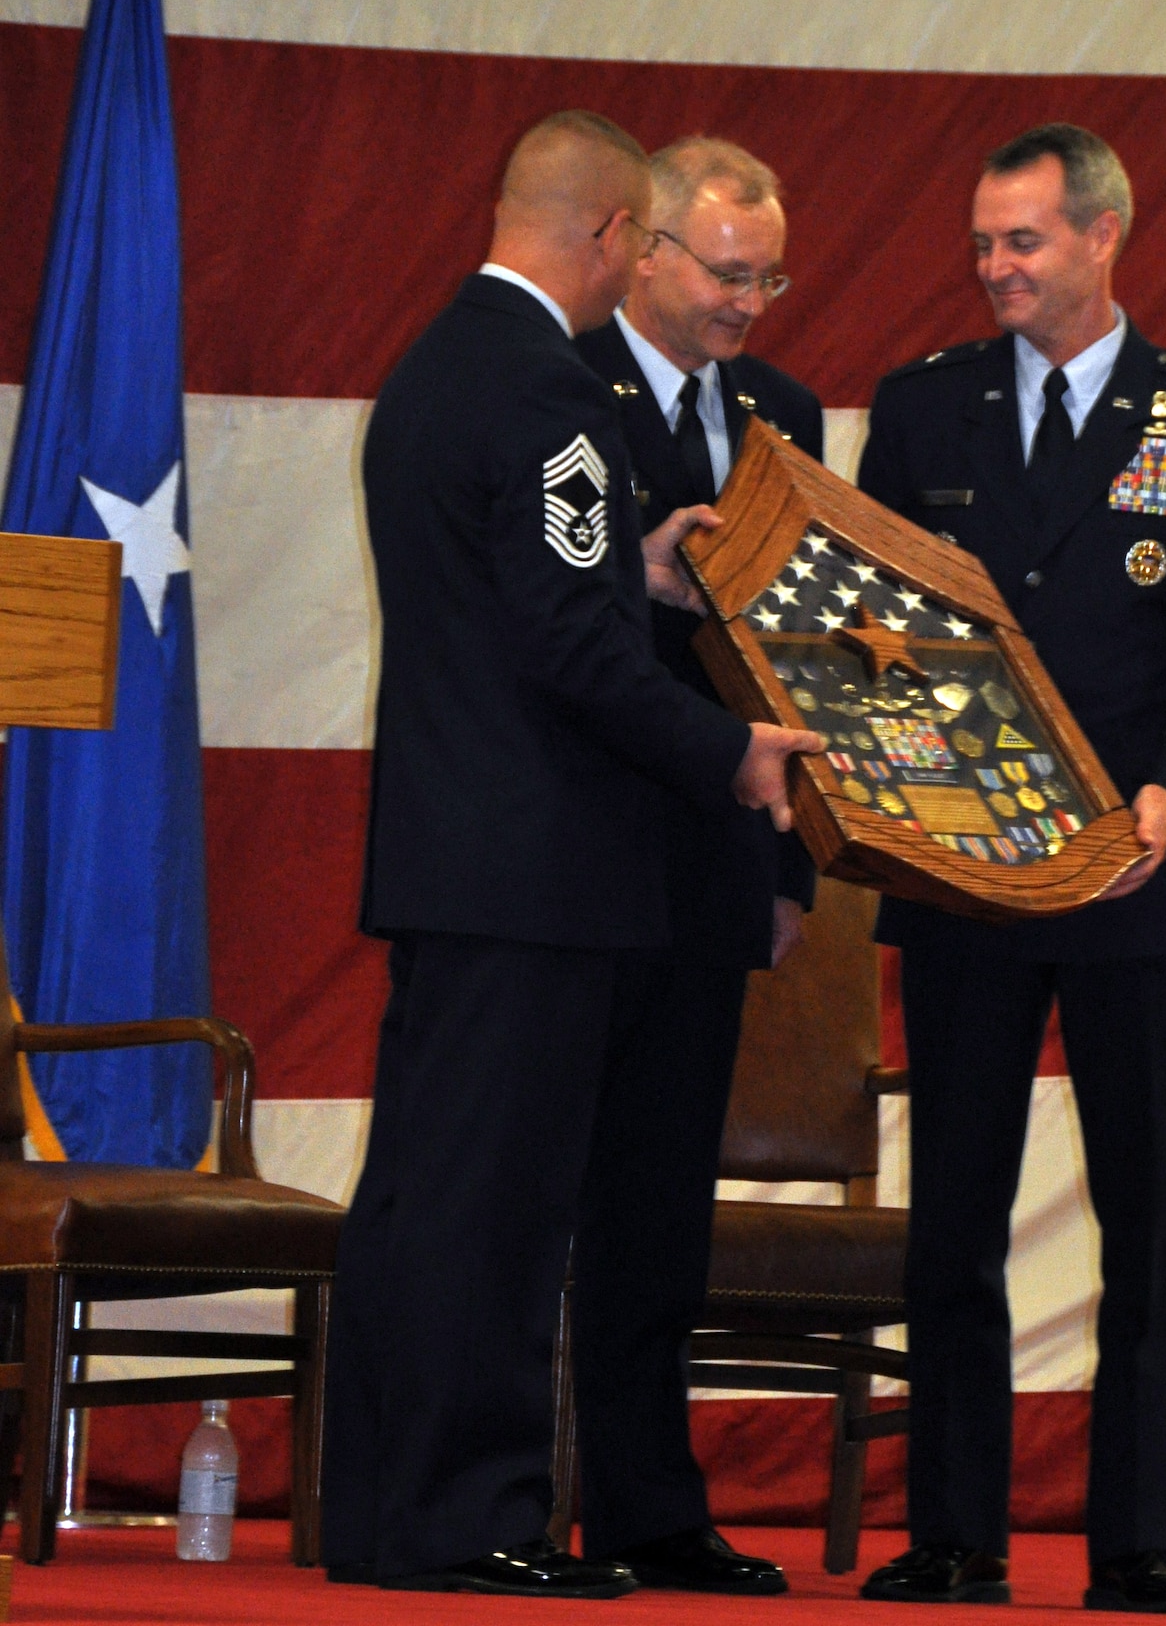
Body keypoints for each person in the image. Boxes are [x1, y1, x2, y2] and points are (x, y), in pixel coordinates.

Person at [320, 111, 820, 1599]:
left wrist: (639, 569)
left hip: (462, 859)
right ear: (616, 235)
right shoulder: (548, 395)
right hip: (537, 874)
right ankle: (476, 1514)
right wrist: (729, 752)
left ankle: (390, 1511)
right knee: (490, 1213)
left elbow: (526, 594)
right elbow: (572, 657)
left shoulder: (436, 370)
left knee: (426, 1195)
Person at [856, 124, 1166, 1615]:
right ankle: (953, 1536)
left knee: (1148, 1222)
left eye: (1022, 241)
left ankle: (1135, 1547)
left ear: (1106, 233)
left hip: (1147, 873)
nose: (992, 269)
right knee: (953, 1219)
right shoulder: (922, 414)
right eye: (981, 243)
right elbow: (877, 637)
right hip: (970, 871)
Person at [571, 138, 823, 1593]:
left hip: (718, 859)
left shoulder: (785, 415)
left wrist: (790, 876)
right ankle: (496, 1493)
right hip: (572, 853)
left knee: (660, 1210)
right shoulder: (563, 394)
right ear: (645, 249)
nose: (747, 303)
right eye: (725, 271)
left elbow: (801, 660)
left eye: (767, 275)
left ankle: (651, 1512)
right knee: (535, 1191)